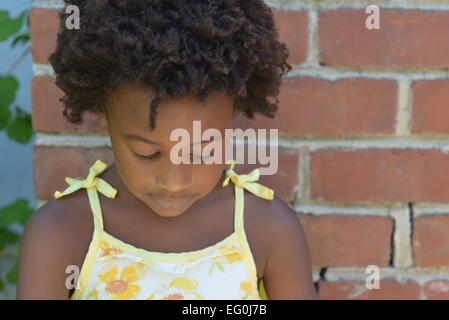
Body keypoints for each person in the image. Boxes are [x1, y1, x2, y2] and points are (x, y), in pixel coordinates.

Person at [16, 0, 317, 300]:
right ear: (105, 120)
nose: (173, 181)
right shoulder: (61, 232)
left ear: (231, 119)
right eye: (146, 153)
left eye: (200, 152)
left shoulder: (268, 229)